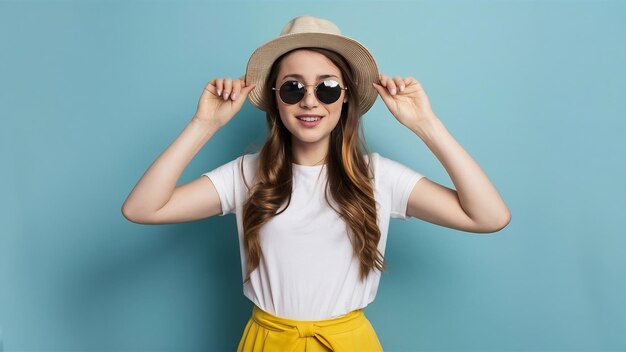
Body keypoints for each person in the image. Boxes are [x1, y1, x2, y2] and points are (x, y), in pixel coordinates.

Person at [121, 15, 511, 352]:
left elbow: (489, 216)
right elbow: (141, 209)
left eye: (326, 88)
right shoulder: (246, 175)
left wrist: (427, 126)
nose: (310, 101)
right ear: (275, 100)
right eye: (293, 88)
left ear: (345, 99)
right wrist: (203, 125)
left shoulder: (378, 177)